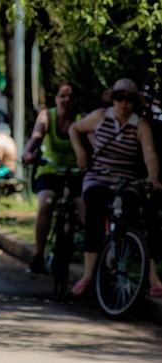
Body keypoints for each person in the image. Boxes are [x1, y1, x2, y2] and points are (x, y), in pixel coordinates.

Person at [68, 78, 162, 296]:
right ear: (113, 99)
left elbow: (150, 152)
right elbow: (75, 129)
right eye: (119, 98)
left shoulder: (140, 125)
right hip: (98, 177)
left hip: (126, 180)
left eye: (129, 100)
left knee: (137, 221)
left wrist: (153, 176)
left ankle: (151, 277)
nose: (123, 104)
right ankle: (88, 276)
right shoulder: (100, 116)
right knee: (94, 214)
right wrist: (81, 154)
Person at [22, 82, 85, 274]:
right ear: (56, 98)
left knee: (87, 212)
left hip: (76, 173)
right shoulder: (47, 116)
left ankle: (98, 263)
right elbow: (36, 136)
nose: (66, 100)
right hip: (50, 171)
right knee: (46, 204)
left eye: (70, 96)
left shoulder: (82, 119)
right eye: (62, 96)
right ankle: (38, 254)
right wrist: (27, 152)